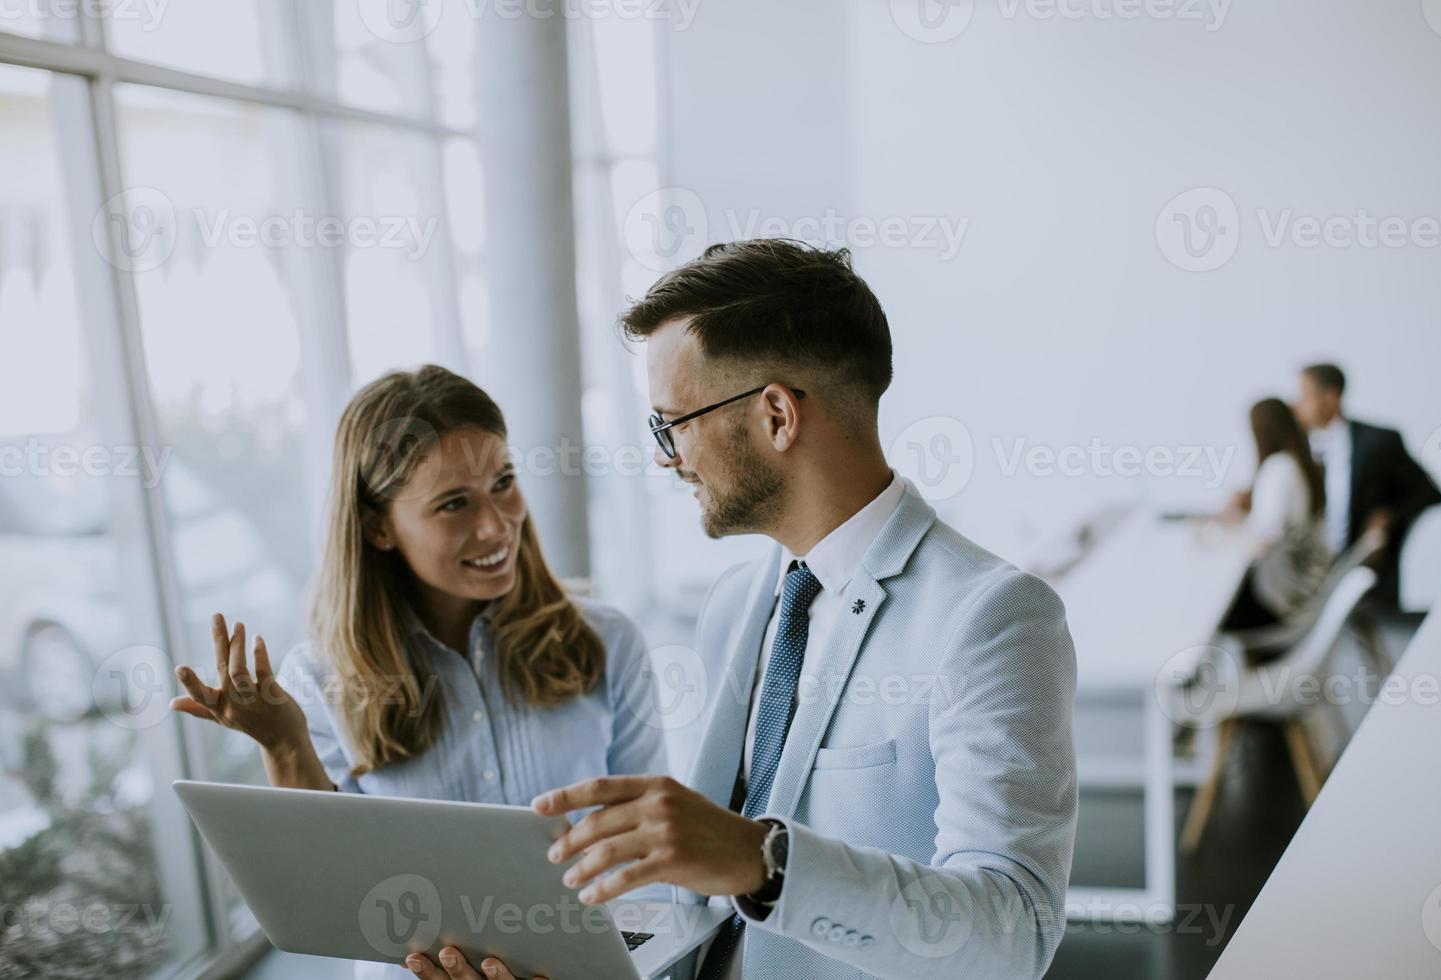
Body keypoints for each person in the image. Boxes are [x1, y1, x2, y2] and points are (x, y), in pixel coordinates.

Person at [416, 240, 1078, 980]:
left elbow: (1012, 933)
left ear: (776, 416)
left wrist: (763, 863)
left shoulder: (991, 617)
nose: (667, 457)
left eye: (673, 422)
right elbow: (697, 906)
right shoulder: (737, 603)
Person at [169, 365, 663, 980]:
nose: (496, 524)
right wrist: (282, 741)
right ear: (378, 527)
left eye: (503, 482)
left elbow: (653, 855)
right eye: (453, 503)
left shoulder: (606, 641)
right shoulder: (320, 677)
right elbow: (329, 893)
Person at [1295, 363, 1441, 610]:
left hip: (1362, 570)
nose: (1297, 405)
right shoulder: (1299, 448)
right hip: (1309, 573)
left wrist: (1389, 516)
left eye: (1304, 396)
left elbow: (1429, 492)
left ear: (1330, 397)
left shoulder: (1378, 442)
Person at [1220, 398, 1331, 631]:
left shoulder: (1278, 469)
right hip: (1298, 588)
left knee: (1213, 605)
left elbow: (1265, 540)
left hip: (1277, 600)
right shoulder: (1300, 465)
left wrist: (1215, 535)